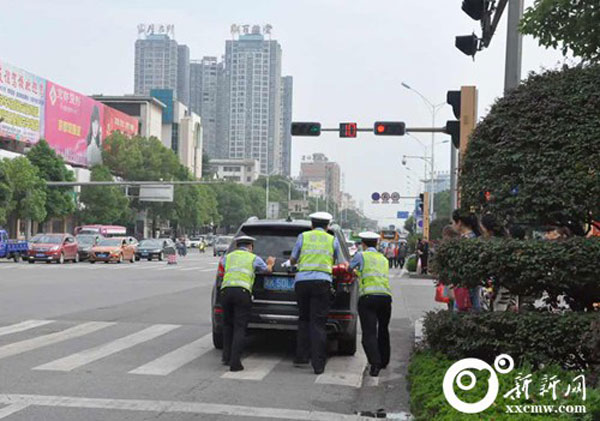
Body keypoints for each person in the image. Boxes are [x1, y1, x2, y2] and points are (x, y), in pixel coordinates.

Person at [288, 212, 343, 374]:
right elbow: (340, 261)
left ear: (311, 225)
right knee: (318, 323)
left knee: (303, 319)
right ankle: (318, 364)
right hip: (322, 283)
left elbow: (293, 259)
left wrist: (293, 263)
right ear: (328, 226)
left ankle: (301, 357)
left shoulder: (303, 237)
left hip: (302, 282)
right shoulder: (332, 239)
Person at [220, 235, 275, 371]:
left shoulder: (228, 257)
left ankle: (226, 357)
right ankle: (235, 362)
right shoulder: (253, 258)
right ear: (250, 246)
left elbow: (223, 268)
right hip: (242, 293)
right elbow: (267, 271)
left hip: (225, 292)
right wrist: (270, 263)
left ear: (237, 246)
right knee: (239, 327)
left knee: (227, 325)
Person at [349, 232, 392, 377]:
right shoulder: (383, 259)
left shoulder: (361, 255)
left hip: (368, 298)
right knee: (383, 330)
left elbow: (350, 268)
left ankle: (375, 364)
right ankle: (384, 360)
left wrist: (356, 272)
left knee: (369, 333)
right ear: (377, 244)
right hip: (385, 297)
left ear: (363, 244)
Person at [451, 209, 482, 311]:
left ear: (459, 222)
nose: (452, 226)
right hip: (472, 281)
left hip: (465, 282)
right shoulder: (475, 237)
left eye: (453, 222)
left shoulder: (466, 240)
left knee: (464, 308)